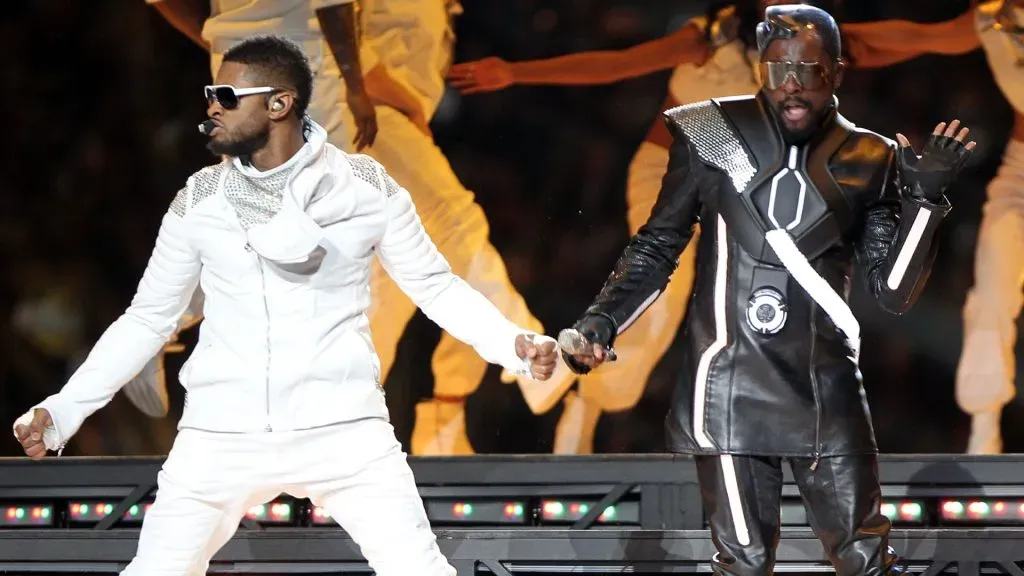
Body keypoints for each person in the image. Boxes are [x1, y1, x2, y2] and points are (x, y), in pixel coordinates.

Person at [12, 36, 559, 576]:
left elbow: (434, 286)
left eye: (227, 94)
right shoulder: (201, 198)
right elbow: (148, 318)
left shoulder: (365, 186)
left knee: (418, 568)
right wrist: (63, 411)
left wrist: (512, 345)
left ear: (280, 103)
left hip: (343, 428)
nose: (211, 106)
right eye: (210, 92)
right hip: (221, 433)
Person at [447, 0, 979, 454]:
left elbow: (930, 37)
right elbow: (619, 63)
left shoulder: (826, 45)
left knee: (756, 301)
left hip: (754, 192)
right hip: (673, 173)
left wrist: (990, 23)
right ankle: (582, 398)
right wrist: (517, 73)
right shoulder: (714, 35)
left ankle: (742, 428)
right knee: (664, 291)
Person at [557, 5, 974, 573]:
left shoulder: (870, 158)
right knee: (745, 563)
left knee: (865, 559)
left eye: (810, 69)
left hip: (825, 386)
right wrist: (599, 324)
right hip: (730, 382)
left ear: (837, 72)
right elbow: (658, 245)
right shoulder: (709, 133)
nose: (793, 85)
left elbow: (892, 293)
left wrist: (924, 204)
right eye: (779, 70)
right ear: (760, 69)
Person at [138, 0, 577, 455]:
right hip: (365, 109)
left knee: (367, 278)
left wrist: (228, 41)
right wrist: (366, 89)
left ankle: (336, 428)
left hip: (349, 102)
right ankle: (533, 366)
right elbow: (340, 20)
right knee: (451, 225)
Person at [127, 0, 379, 418]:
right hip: (301, 67)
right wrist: (356, 85)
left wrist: (226, 41)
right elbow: (333, 4)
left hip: (240, 69)